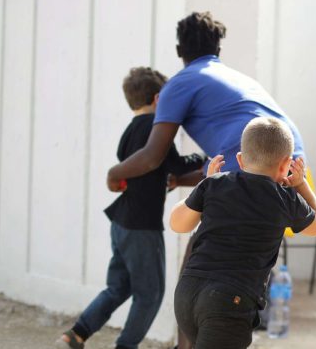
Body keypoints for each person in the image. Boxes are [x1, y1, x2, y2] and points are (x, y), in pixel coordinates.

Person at [104, 11, 307, 349]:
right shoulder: (233, 79)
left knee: (198, 273)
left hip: (255, 161)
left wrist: (115, 173)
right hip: (287, 159)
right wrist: (182, 179)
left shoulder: (180, 84)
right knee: (242, 260)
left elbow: (153, 155)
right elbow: (223, 159)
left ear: (179, 48)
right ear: (218, 49)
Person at [55, 68, 206, 349]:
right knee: (150, 293)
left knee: (118, 287)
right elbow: (173, 163)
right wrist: (203, 156)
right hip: (141, 226)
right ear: (159, 98)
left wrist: (163, 179)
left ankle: (75, 335)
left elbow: (148, 169)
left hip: (121, 222)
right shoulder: (155, 129)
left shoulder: (129, 131)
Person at [171, 118, 316, 349]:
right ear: (286, 165)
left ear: (241, 160)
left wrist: (206, 183)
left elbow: (177, 224)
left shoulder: (214, 184)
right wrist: (301, 185)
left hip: (187, 293)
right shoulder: (285, 198)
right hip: (229, 301)